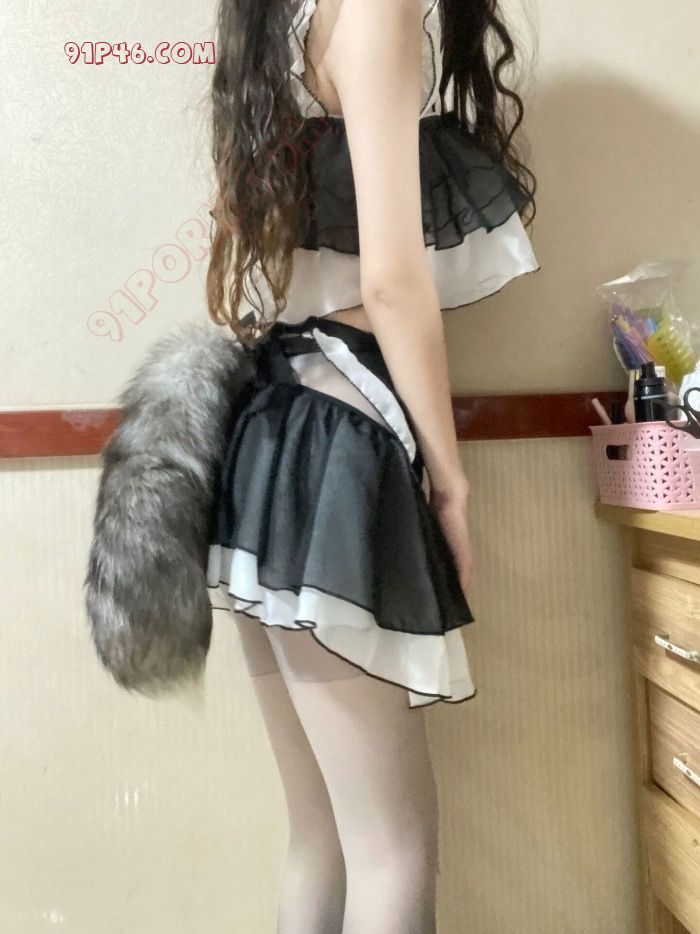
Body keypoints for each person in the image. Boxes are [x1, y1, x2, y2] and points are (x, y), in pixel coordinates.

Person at [204, 0, 539, 930]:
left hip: (264, 431)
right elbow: (391, 282)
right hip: (336, 444)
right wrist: (451, 484)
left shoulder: (274, 23)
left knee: (320, 836)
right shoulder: (379, 12)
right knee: (394, 851)